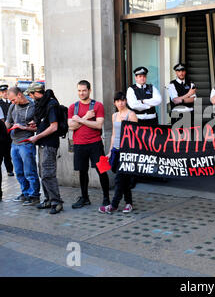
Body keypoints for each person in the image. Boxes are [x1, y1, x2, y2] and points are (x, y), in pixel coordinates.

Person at [68, 80, 110, 209]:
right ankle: (85, 198)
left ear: (89, 90)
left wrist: (79, 120)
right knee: (82, 171)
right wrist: (85, 117)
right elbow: (71, 127)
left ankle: (106, 198)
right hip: (79, 144)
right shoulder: (73, 107)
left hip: (96, 143)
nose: (81, 93)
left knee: (102, 170)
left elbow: (98, 125)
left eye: (84, 90)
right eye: (79, 91)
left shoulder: (97, 105)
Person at [26, 82, 64, 214]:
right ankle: (48, 199)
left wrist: (36, 137)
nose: (30, 97)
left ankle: (56, 202)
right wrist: (35, 126)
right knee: (42, 173)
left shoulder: (51, 104)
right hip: (42, 143)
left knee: (48, 173)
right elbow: (44, 123)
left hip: (49, 144)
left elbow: (54, 127)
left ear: (37, 92)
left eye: (31, 94)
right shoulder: (42, 103)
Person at [99, 92, 138, 214]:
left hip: (126, 151)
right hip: (116, 150)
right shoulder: (115, 115)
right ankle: (129, 203)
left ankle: (113, 205)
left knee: (119, 179)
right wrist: (110, 151)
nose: (120, 103)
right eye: (118, 101)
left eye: (122, 100)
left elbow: (136, 135)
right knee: (123, 179)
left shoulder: (131, 114)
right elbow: (114, 135)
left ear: (125, 101)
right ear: (115, 103)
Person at [5, 86, 40, 206]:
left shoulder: (33, 107)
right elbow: (8, 122)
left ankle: (34, 195)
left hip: (26, 143)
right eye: (11, 101)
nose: (12, 102)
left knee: (29, 171)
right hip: (14, 143)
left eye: (13, 100)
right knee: (19, 171)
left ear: (19, 95)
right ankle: (25, 193)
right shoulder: (12, 106)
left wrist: (23, 127)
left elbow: (37, 127)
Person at [0, 84, 14, 176]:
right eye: (3, 92)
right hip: (3, 130)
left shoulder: (13, 102)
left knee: (10, 151)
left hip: (13, 128)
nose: (5, 94)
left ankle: (10, 168)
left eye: (6, 92)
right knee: (5, 150)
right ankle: (9, 170)